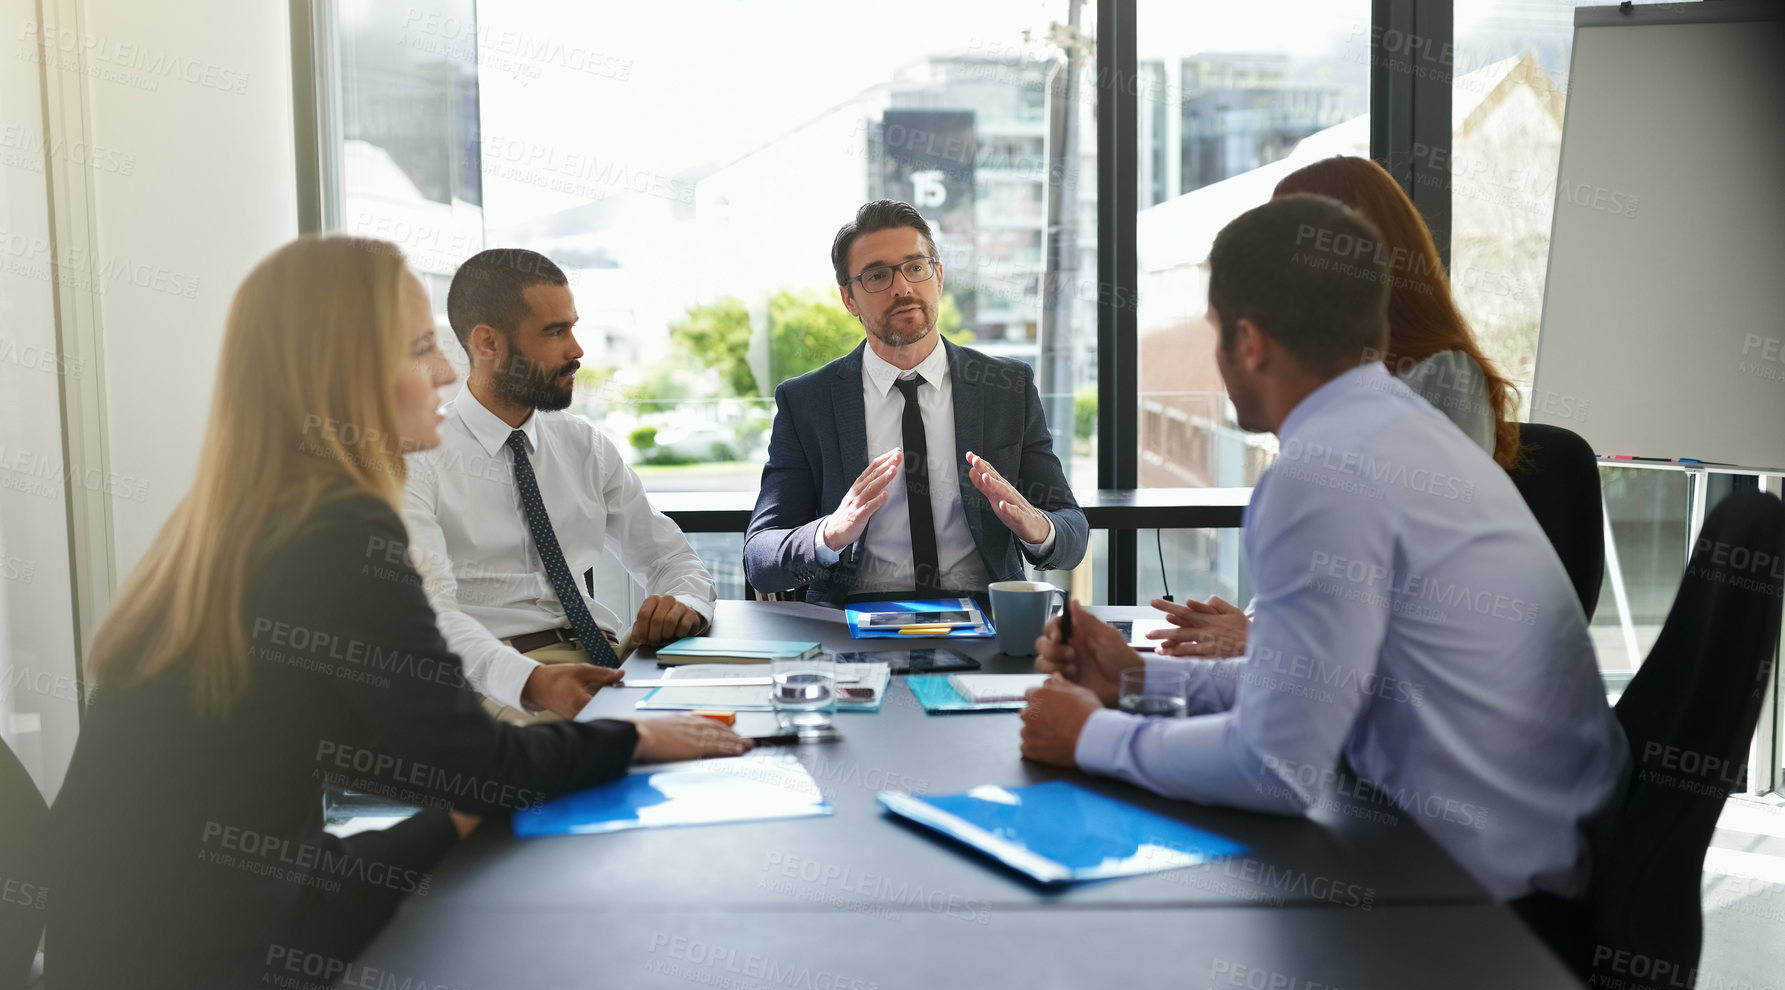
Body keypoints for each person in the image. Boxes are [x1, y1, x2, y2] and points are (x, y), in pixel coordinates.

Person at [43, 237, 746, 990]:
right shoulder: (334, 530)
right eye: (421, 350)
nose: (447, 375)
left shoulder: (243, 518)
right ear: (350, 374)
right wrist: (636, 737)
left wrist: (465, 789)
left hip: (133, 978)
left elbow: (395, 757)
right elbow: (470, 764)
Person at [1018, 195, 1627, 909]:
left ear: (1248, 343)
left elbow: (1274, 768)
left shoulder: (1321, 474)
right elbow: (1306, 682)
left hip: (1486, 911)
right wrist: (1136, 681)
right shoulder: (1404, 432)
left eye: (1215, 334)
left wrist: (1091, 733)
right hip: (1551, 852)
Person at [1152, 155, 1524, 659]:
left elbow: (1408, 599)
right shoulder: (1329, 395)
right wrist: (1259, 622)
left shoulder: (1439, 379)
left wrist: (1261, 637)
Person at [405, 248, 718, 724]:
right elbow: (432, 619)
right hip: (504, 676)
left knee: (749, 714)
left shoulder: (584, 446)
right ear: (488, 343)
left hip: (609, 655)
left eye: (572, 327)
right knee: (632, 751)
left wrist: (684, 604)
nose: (576, 349)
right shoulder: (420, 459)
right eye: (554, 332)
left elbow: (670, 558)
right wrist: (531, 682)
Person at [744, 200, 1088, 606]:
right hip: (851, 622)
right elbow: (760, 556)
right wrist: (830, 533)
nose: (902, 287)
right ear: (849, 299)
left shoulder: (1006, 388)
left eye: (915, 267)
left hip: (986, 615)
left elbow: (1072, 533)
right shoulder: (807, 402)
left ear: (938, 276)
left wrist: (1037, 526)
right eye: (877, 275)